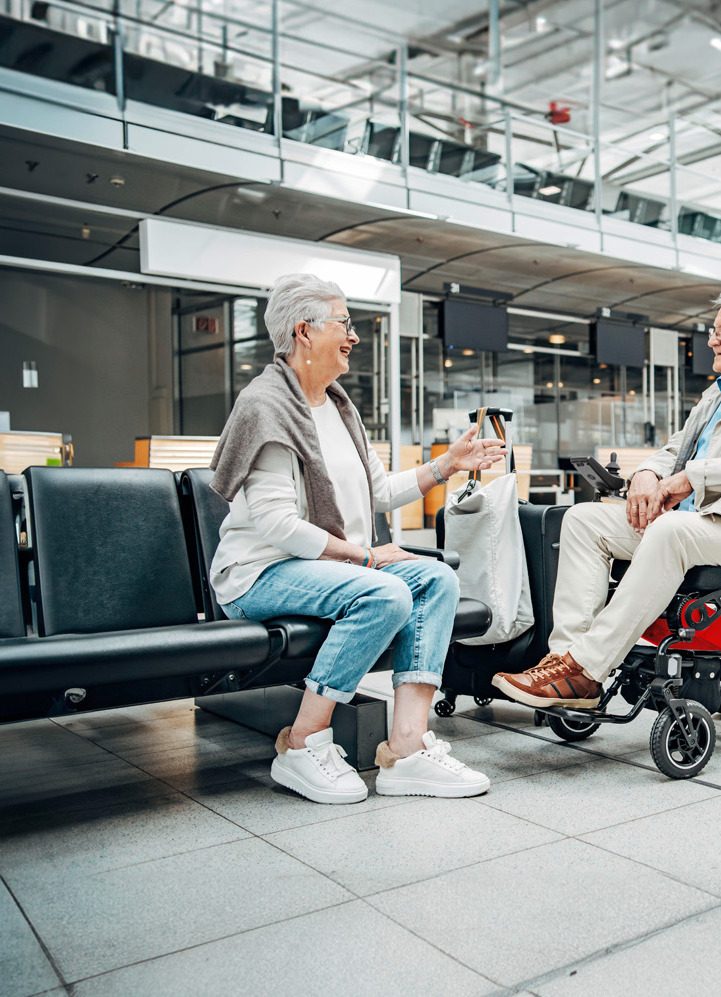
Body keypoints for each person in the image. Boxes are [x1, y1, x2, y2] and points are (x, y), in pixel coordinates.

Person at [210, 273, 507, 805]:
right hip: (259, 574)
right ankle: (300, 745)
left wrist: (447, 465)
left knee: (436, 579)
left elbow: (378, 491)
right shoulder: (267, 407)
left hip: (324, 569)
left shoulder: (339, 406)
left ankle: (407, 752)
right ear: (304, 331)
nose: (353, 336)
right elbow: (276, 524)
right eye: (344, 324)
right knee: (385, 590)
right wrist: (364, 556)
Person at [492, 285, 721, 707]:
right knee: (582, 520)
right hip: (700, 526)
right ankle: (565, 665)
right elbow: (676, 449)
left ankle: (588, 667)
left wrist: (692, 477)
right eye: (713, 329)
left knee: (670, 531)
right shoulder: (717, 394)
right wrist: (649, 473)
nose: (711, 340)